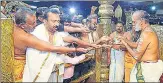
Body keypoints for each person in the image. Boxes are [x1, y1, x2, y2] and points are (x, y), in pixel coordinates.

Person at [13, 7, 87, 82]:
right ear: (22, 25)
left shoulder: (12, 27)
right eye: (33, 23)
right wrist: (75, 49)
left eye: (36, 22)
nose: (35, 25)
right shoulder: (26, 37)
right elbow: (52, 48)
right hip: (20, 69)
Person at [120, 10, 163, 82]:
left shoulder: (146, 33)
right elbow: (136, 44)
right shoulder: (146, 30)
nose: (132, 24)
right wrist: (124, 39)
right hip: (147, 66)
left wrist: (125, 44)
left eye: (134, 22)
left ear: (142, 21)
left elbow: (137, 56)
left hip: (149, 68)